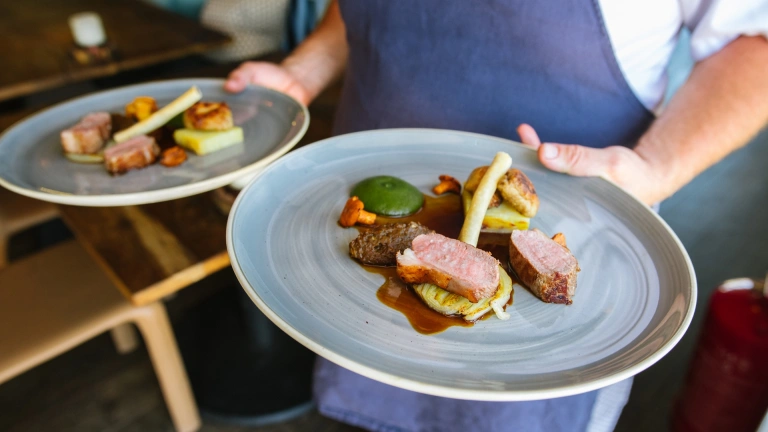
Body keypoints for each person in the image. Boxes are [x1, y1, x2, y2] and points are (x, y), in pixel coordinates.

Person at [225, 1, 768, 431]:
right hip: (365, 215)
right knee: (379, 378)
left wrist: (657, 165)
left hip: (578, 214)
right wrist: (306, 68)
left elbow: (755, 38)